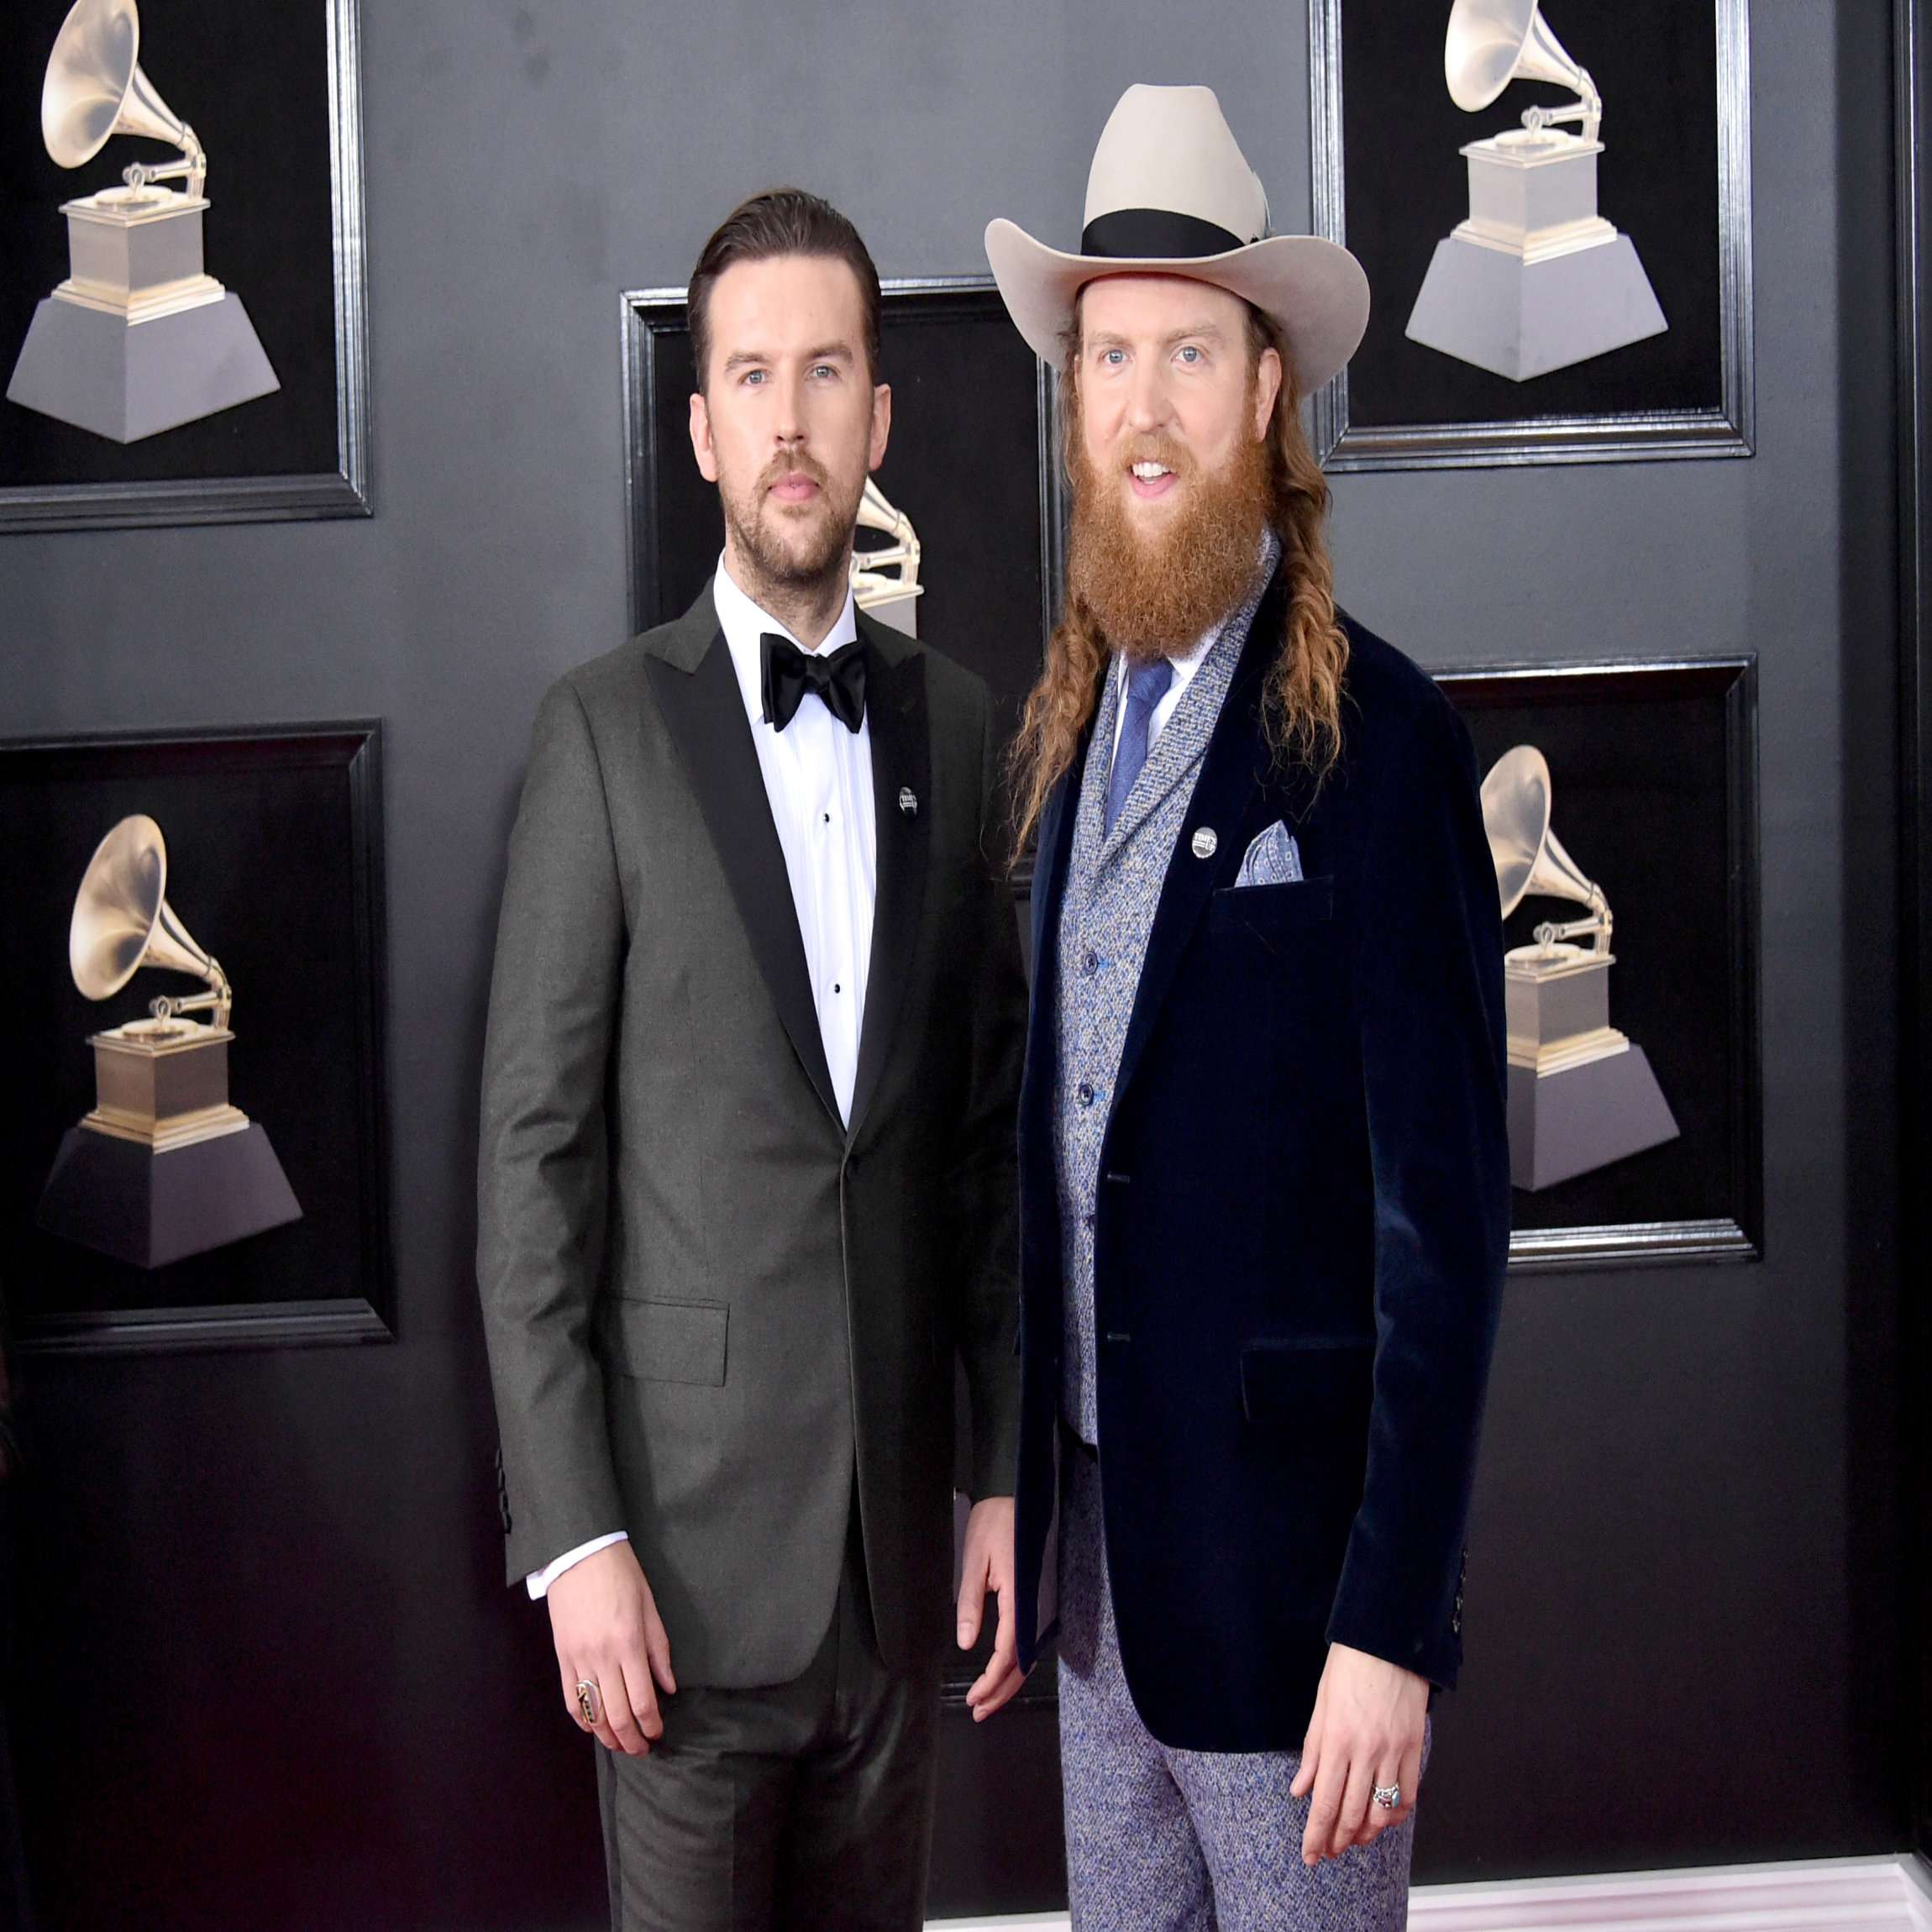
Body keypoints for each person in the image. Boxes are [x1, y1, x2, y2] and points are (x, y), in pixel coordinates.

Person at [985, 86, 1512, 1929]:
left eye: (1185, 355)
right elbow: (1052, 1168)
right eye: (1106, 354)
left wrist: (1391, 1624)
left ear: (1265, 390)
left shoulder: (1383, 742)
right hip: (1095, 1601)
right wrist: (1013, 1499)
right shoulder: (1058, 736)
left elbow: (1445, 1231)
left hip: (1298, 1619)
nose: (1141, 406)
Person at [476, 188, 1028, 1932]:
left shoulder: (957, 720)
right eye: (751, 377)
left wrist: (1006, 1465)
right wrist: (574, 1547)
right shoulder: (599, 733)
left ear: (878, 417)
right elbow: (531, 1172)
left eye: (827, 372)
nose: (791, 422)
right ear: (702, 427)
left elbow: (984, 1154)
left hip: (894, 1592)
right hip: (676, 1595)